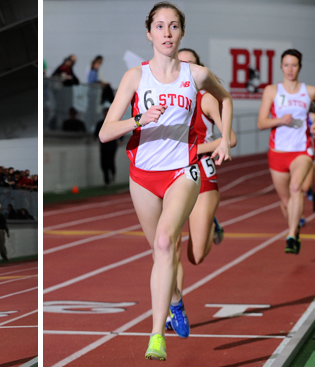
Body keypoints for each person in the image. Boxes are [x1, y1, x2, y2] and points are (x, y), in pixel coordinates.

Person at [98, 2, 233, 361]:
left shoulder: (197, 75)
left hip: (182, 171)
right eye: (160, 26)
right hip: (142, 176)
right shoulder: (134, 77)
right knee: (161, 253)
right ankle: (175, 300)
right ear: (149, 33)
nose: (167, 33)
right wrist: (138, 119)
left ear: (182, 32)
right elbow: (105, 132)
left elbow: (226, 98)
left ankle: (156, 335)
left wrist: (225, 139)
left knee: (164, 242)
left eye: (174, 26)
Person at [162, 48, 238, 332]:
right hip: (171, 177)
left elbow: (229, 138)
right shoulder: (165, 97)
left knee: (196, 255)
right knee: (171, 247)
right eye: (179, 63)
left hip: (202, 175)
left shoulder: (206, 99)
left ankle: (213, 226)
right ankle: (173, 309)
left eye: (189, 65)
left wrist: (193, 149)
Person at [257, 49, 315, 255]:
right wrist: (280, 120)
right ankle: (295, 228)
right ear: (281, 67)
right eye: (286, 65)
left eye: (294, 65)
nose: (290, 69)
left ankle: (291, 236)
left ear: (300, 67)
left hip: (301, 151)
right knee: (286, 202)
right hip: (277, 153)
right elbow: (261, 122)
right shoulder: (272, 91)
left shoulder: (308, 91)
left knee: (296, 187)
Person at [94, 108, 122, 186]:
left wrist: (120, 140)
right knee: (103, 164)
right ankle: (106, 181)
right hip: (103, 147)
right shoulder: (100, 123)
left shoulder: (114, 123)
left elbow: (121, 130)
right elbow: (96, 134)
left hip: (112, 146)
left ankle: (113, 173)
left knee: (111, 161)